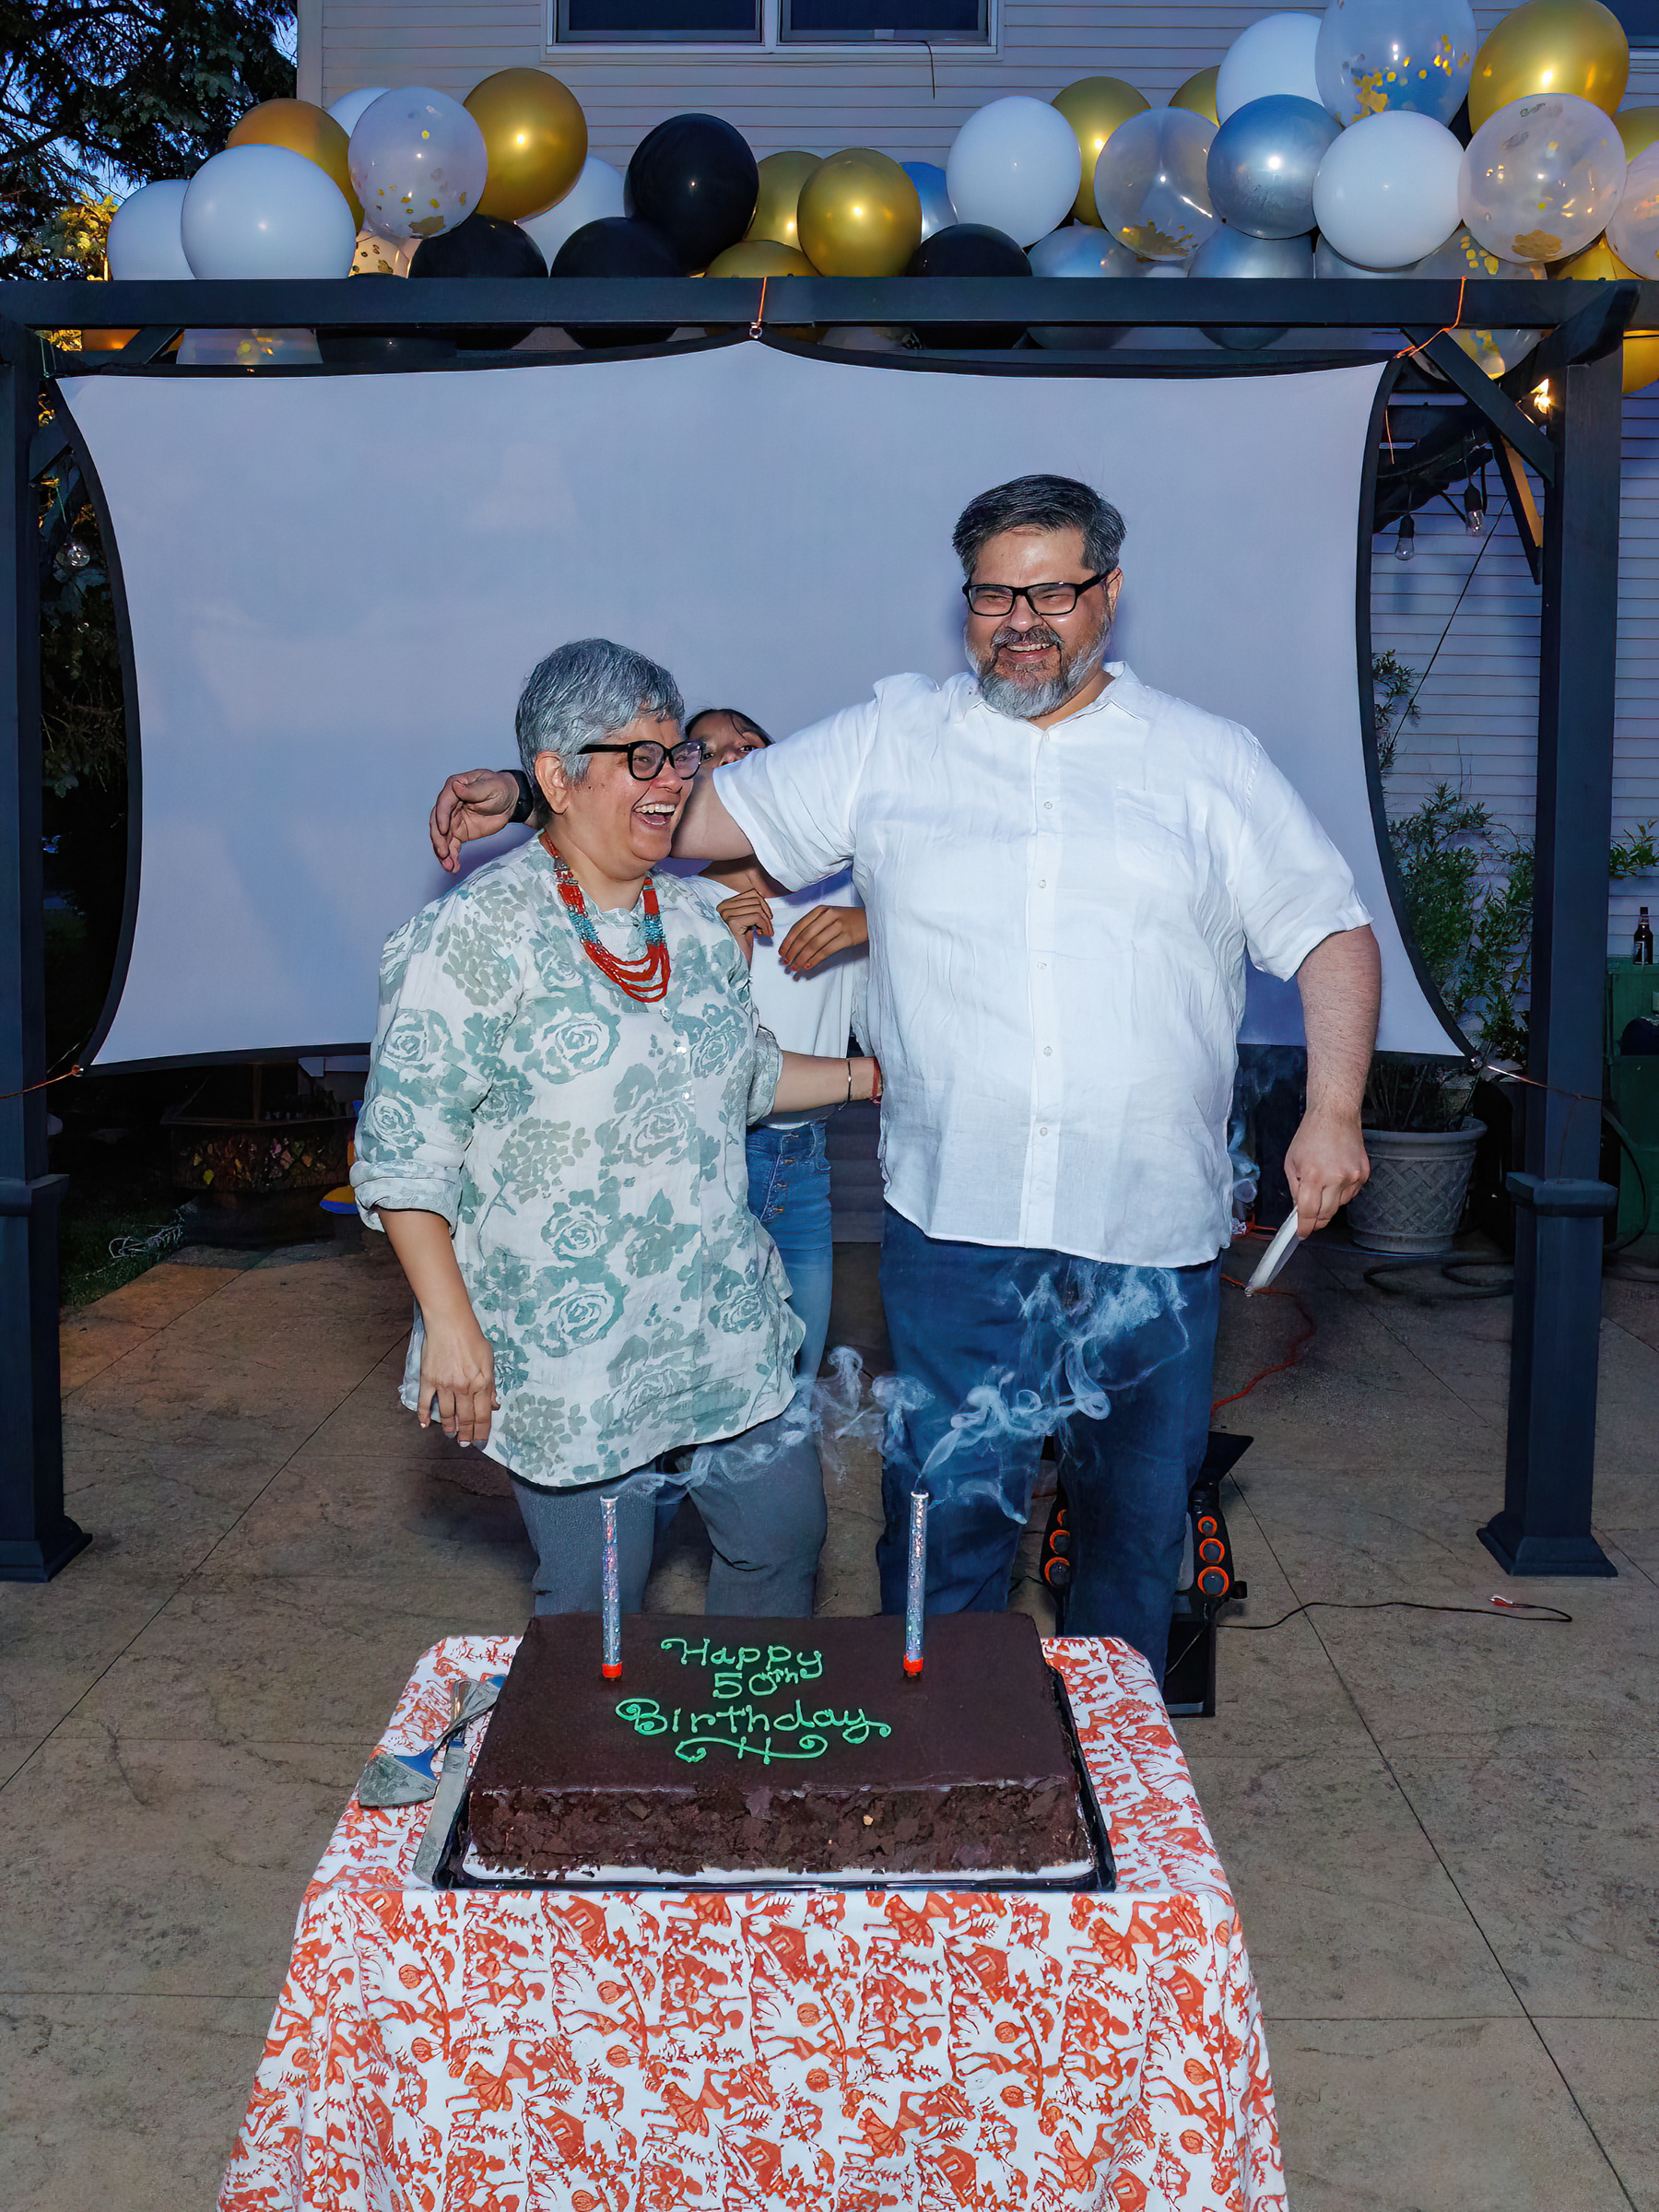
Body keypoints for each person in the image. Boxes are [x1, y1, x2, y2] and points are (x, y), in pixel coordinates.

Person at [426, 476, 1381, 1668]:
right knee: (942, 1537)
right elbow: (695, 815)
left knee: (1135, 1535)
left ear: (1108, 594)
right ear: (965, 600)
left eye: (1052, 592)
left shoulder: (1207, 762)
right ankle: (944, 1749)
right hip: (957, 1235)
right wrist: (533, 793)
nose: (1021, 621)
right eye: (993, 595)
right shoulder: (892, 741)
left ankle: (1107, 1755)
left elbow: (1331, 932)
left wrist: (1335, 1109)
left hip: (1149, 1236)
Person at [359, 638, 880, 1619]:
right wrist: (452, 1328)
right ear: (556, 778)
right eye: (641, 756)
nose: (673, 779)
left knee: (782, 1538)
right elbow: (402, 1152)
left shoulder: (695, 924)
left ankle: (735, 1724)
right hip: (572, 1354)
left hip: (718, 1329)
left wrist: (867, 1077)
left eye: (675, 754)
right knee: (600, 1598)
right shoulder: (474, 934)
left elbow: (746, 1073)